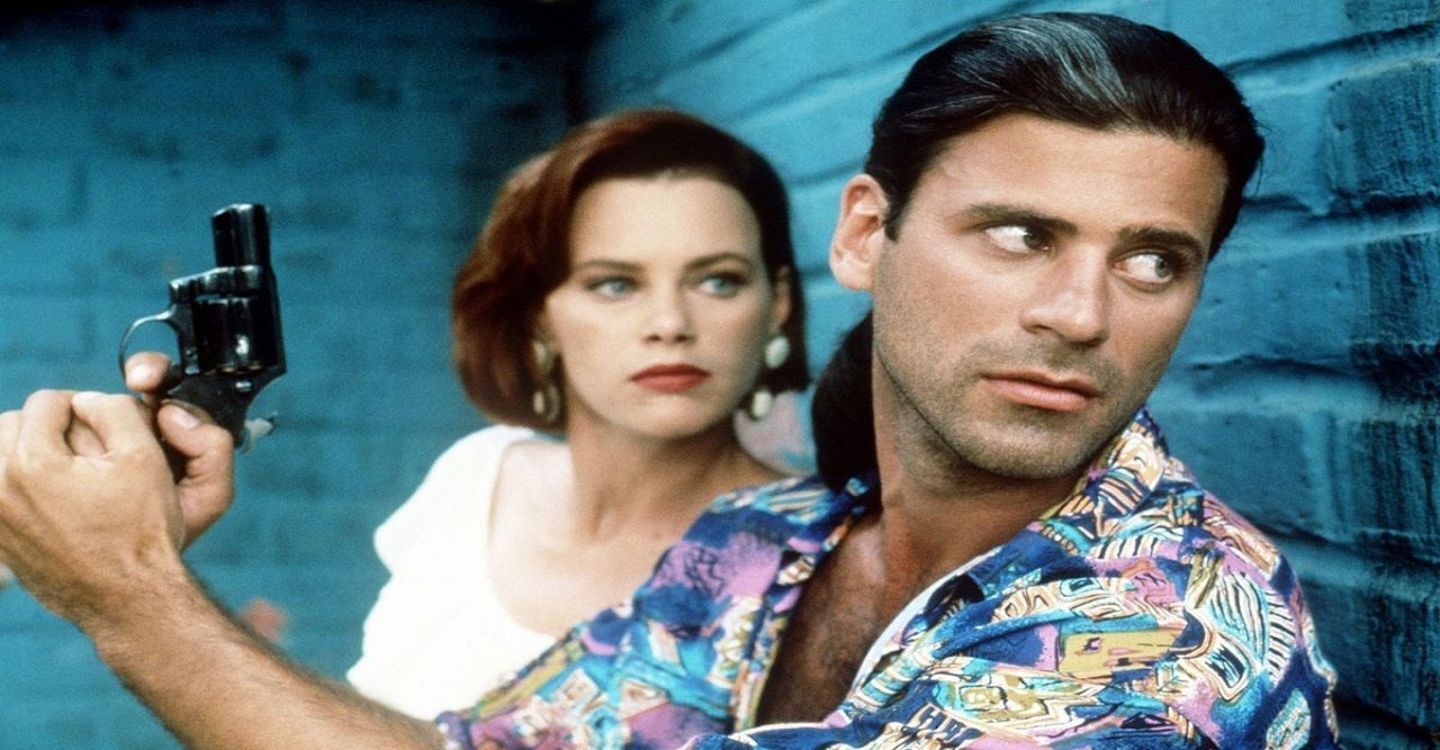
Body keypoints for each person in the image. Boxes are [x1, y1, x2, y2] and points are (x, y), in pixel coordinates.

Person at [0, 12, 1338, 750]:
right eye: (1020, 234)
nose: (1080, 314)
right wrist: (119, 562)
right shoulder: (760, 548)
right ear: (863, 234)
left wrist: (127, 592)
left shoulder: (1164, 643)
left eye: (1154, 261)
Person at [345, 109, 810, 718]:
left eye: (718, 281)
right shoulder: (477, 479)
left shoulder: (812, 549)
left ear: (777, 303)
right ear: (540, 314)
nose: (670, 324)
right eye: (615, 284)